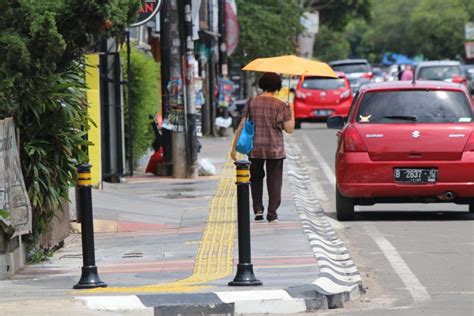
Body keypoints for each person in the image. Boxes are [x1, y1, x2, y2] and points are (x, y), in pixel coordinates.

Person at [231, 72, 295, 223]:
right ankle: (272, 213)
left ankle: (258, 210)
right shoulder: (281, 105)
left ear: (262, 85)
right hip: (275, 149)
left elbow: (241, 125)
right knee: (275, 181)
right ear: (278, 87)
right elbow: (289, 129)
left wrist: (233, 148)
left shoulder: (252, 102)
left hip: (255, 148)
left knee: (256, 178)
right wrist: (290, 111)